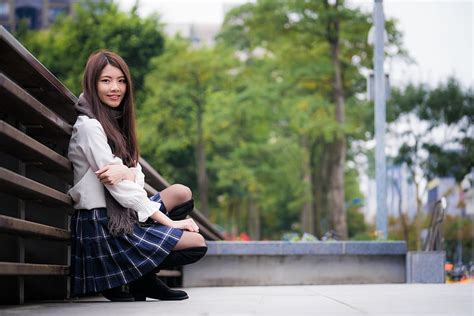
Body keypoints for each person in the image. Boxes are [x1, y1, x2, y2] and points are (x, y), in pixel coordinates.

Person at [68, 50, 207, 302]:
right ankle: (137, 278)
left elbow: (137, 176)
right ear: (92, 83)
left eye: (121, 81)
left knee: (181, 193)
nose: (115, 88)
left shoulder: (116, 123)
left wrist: (127, 171)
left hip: (123, 215)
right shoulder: (90, 127)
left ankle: (141, 280)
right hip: (102, 225)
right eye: (106, 80)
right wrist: (170, 222)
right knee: (196, 243)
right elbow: (119, 189)